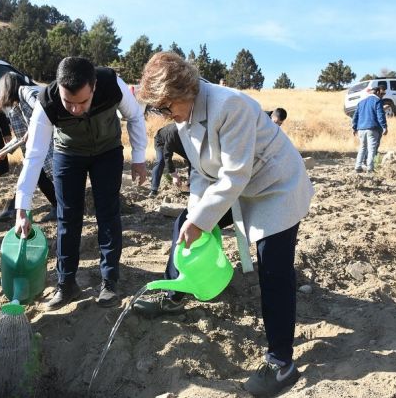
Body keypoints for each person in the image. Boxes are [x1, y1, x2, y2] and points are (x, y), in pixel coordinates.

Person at [132, 52, 314, 397]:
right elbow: (203, 172)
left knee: (273, 268)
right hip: (238, 187)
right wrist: (197, 214)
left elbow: (234, 174)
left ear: (184, 90)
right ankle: (175, 295)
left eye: (168, 107)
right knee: (185, 223)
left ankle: (281, 364)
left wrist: (203, 220)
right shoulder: (184, 118)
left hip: (275, 186)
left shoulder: (230, 106)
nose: (167, 116)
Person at [14, 57, 147, 309]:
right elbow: (34, 154)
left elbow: (135, 116)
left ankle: (109, 281)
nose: (74, 109)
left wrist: (139, 158)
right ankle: (66, 284)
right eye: (68, 103)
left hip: (107, 151)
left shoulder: (110, 83)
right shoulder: (48, 101)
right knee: (67, 217)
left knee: (108, 213)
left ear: (94, 86)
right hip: (68, 154)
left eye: (82, 102)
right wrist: (23, 205)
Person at [0, 72, 57, 222]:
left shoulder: (26, 92)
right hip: (39, 151)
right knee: (37, 176)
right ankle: (56, 205)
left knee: (45, 176)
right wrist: (4, 151)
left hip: (48, 146)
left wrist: (33, 128)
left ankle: (59, 207)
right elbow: (21, 137)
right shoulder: (17, 107)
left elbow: (42, 109)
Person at [351, 86, 387, 172]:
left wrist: (354, 127)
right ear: (377, 92)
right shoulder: (377, 101)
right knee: (372, 149)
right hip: (372, 128)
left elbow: (355, 116)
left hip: (361, 129)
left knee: (362, 148)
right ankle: (370, 168)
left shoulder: (361, 102)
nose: (382, 95)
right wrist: (384, 126)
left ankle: (358, 166)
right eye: (382, 93)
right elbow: (380, 115)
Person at [150, 122, 189, 196]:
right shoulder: (173, 133)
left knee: (191, 158)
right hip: (161, 141)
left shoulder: (192, 132)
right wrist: (174, 175)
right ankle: (153, 189)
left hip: (177, 143)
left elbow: (192, 158)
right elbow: (167, 156)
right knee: (161, 160)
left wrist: (190, 179)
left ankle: (190, 185)